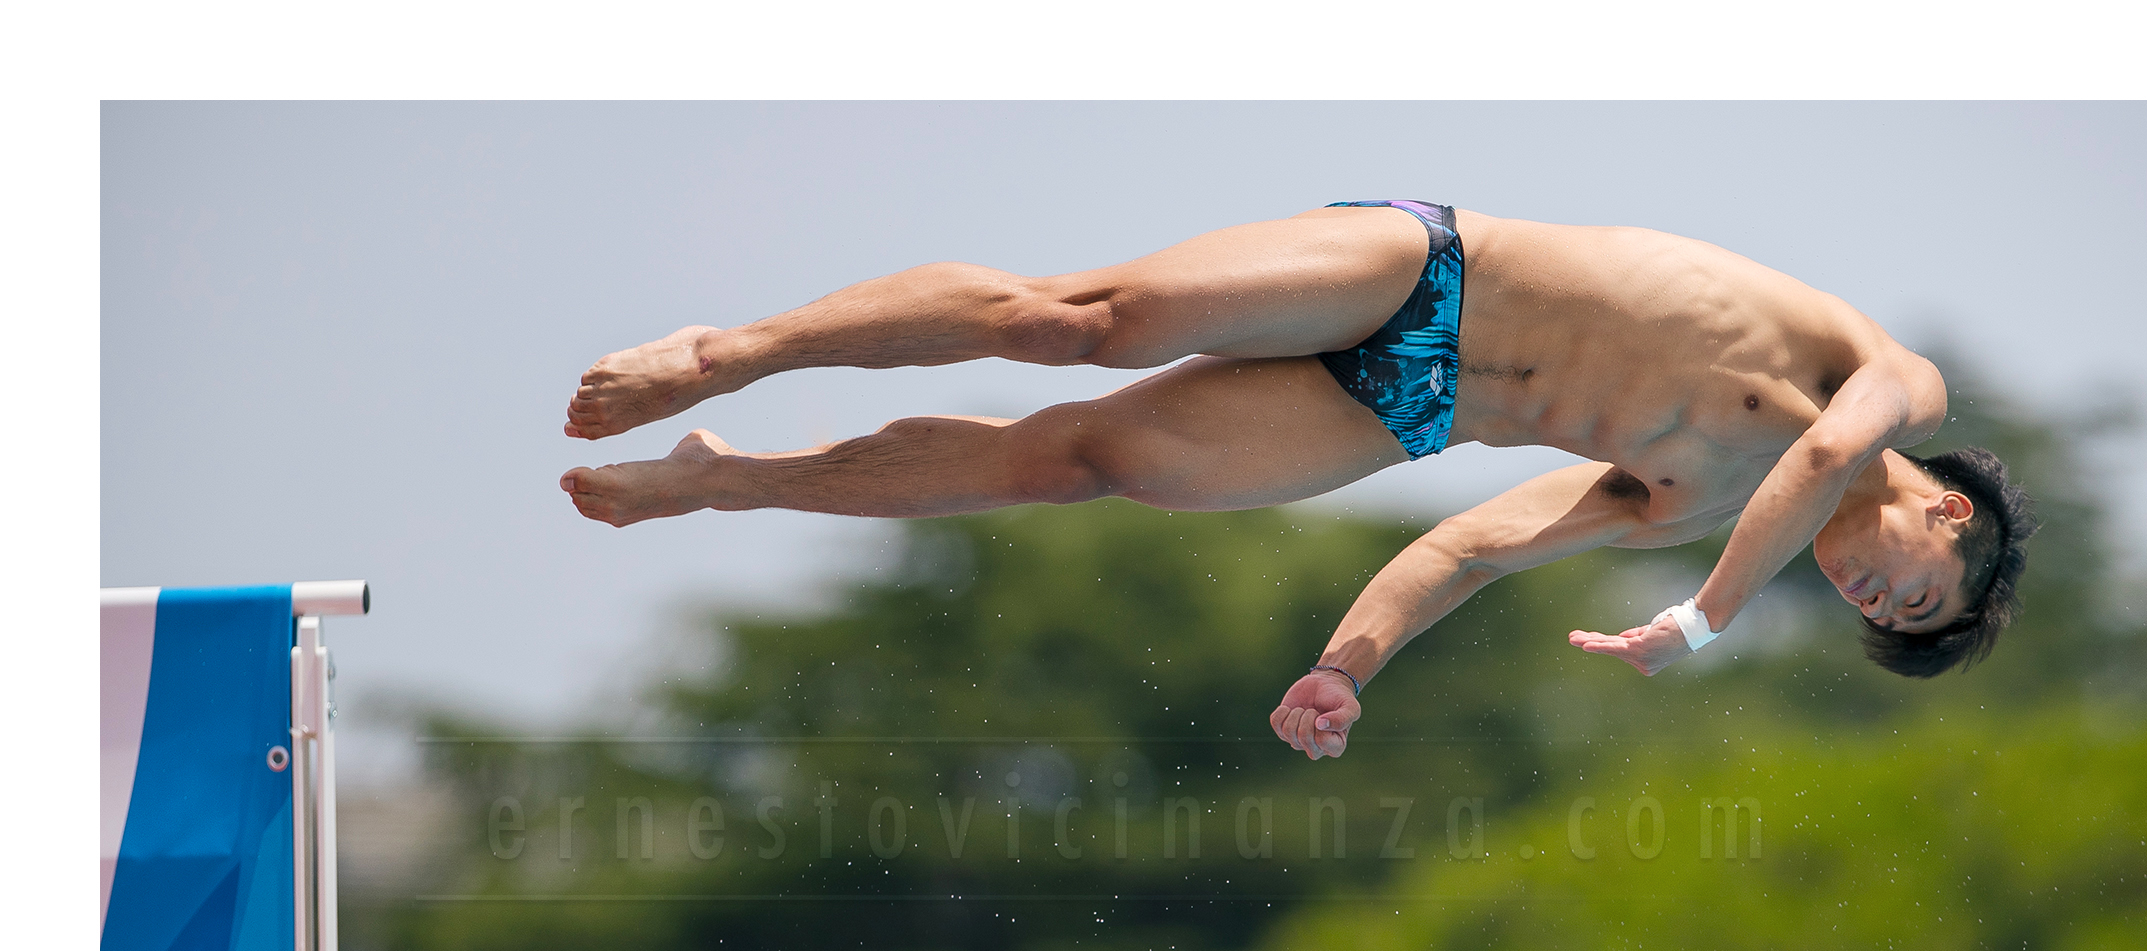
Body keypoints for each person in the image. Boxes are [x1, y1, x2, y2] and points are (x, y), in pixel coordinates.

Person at [558, 202, 2037, 759]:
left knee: (1087, 465)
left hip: (1409, 400)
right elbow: (1829, 455)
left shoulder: (1698, 504)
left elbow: (1467, 549)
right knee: (1078, 324)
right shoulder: (1887, 381)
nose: (1871, 593)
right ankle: (732, 354)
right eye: (1910, 587)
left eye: (1882, 620)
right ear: (1944, 514)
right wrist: (1705, 622)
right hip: (1429, 267)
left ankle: (725, 478)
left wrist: (1348, 666)